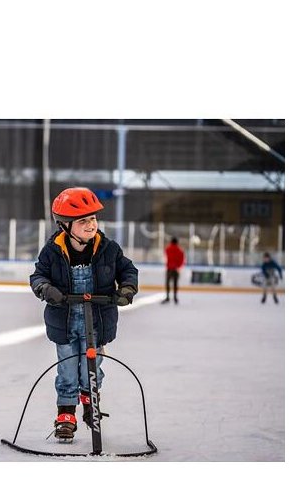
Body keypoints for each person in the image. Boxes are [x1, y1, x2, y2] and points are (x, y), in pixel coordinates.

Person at [30, 187, 139, 441]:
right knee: (68, 370)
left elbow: (127, 270)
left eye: (93, 219)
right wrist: (45, 289)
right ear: (65, 225)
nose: (91, 225)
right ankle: (66, 414)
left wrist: (127, 288)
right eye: (82, 221)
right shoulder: (53, 251)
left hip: (98, 321)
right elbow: (38, 275)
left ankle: (91, 406)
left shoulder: (108, 248)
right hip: (64, 322)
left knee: (92, 367)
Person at [163, 236, 185, 303]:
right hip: (176, 269)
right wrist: (179, 267)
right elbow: (182, 260)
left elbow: (165, 257)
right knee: (175, 284)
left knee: (168, 283)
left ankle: (167, 297)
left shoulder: (168, 249)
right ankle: (175, 298)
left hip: (169, 269)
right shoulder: (180, 250)